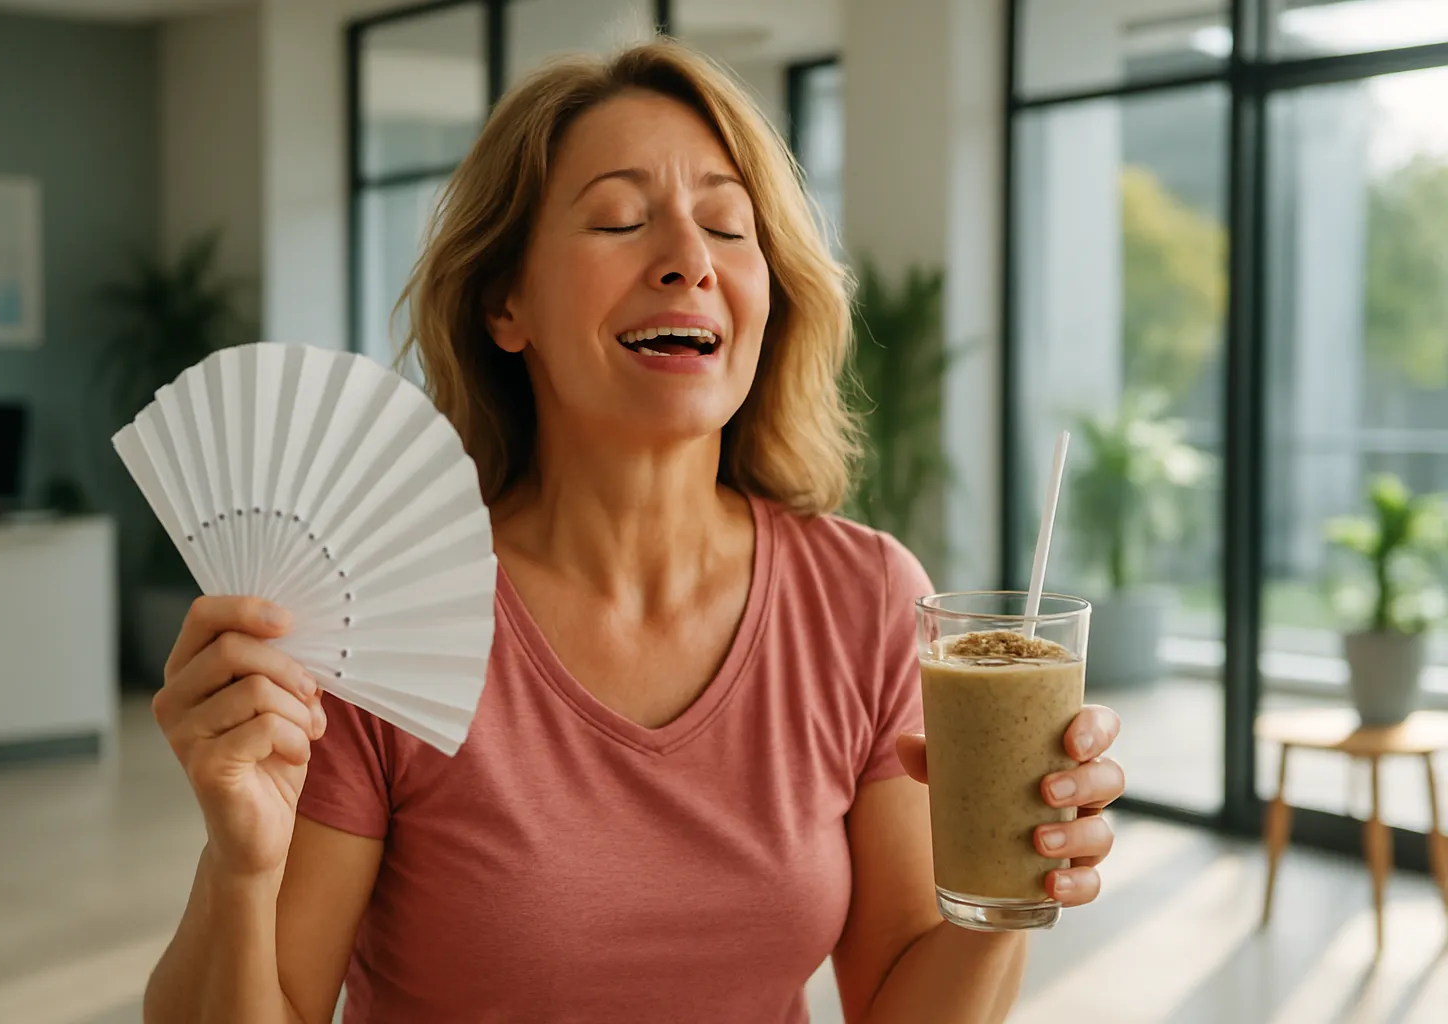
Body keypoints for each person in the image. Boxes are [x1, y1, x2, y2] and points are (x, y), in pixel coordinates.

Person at [143, 39, 1124, 1024]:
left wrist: (1011, 874)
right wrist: (240, 863)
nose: (690, 261)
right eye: (619, 218)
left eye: (729, 228)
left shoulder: (861, 596)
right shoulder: (379, 618)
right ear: (505, 302)